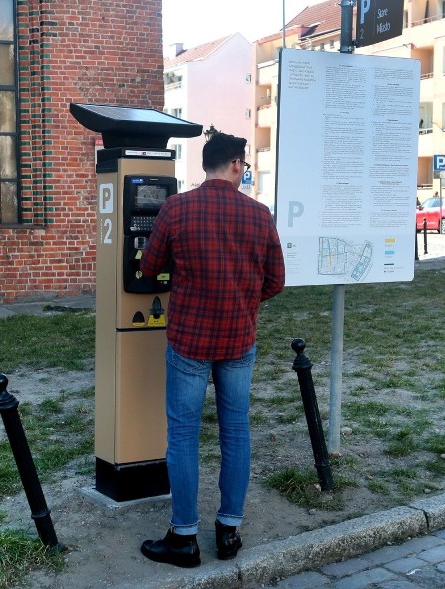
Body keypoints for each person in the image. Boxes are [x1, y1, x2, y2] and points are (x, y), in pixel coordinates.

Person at [138, 132, 285, 568]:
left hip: (189, 339)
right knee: (235, 430)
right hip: (238, 339)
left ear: (206, 165)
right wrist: (241, 300)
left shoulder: (176, 208)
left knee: (183, 434)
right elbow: (275, 280)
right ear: (237, 165)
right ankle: (227, 531)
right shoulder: (260, 215)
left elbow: (148, 267)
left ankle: (183, 538)